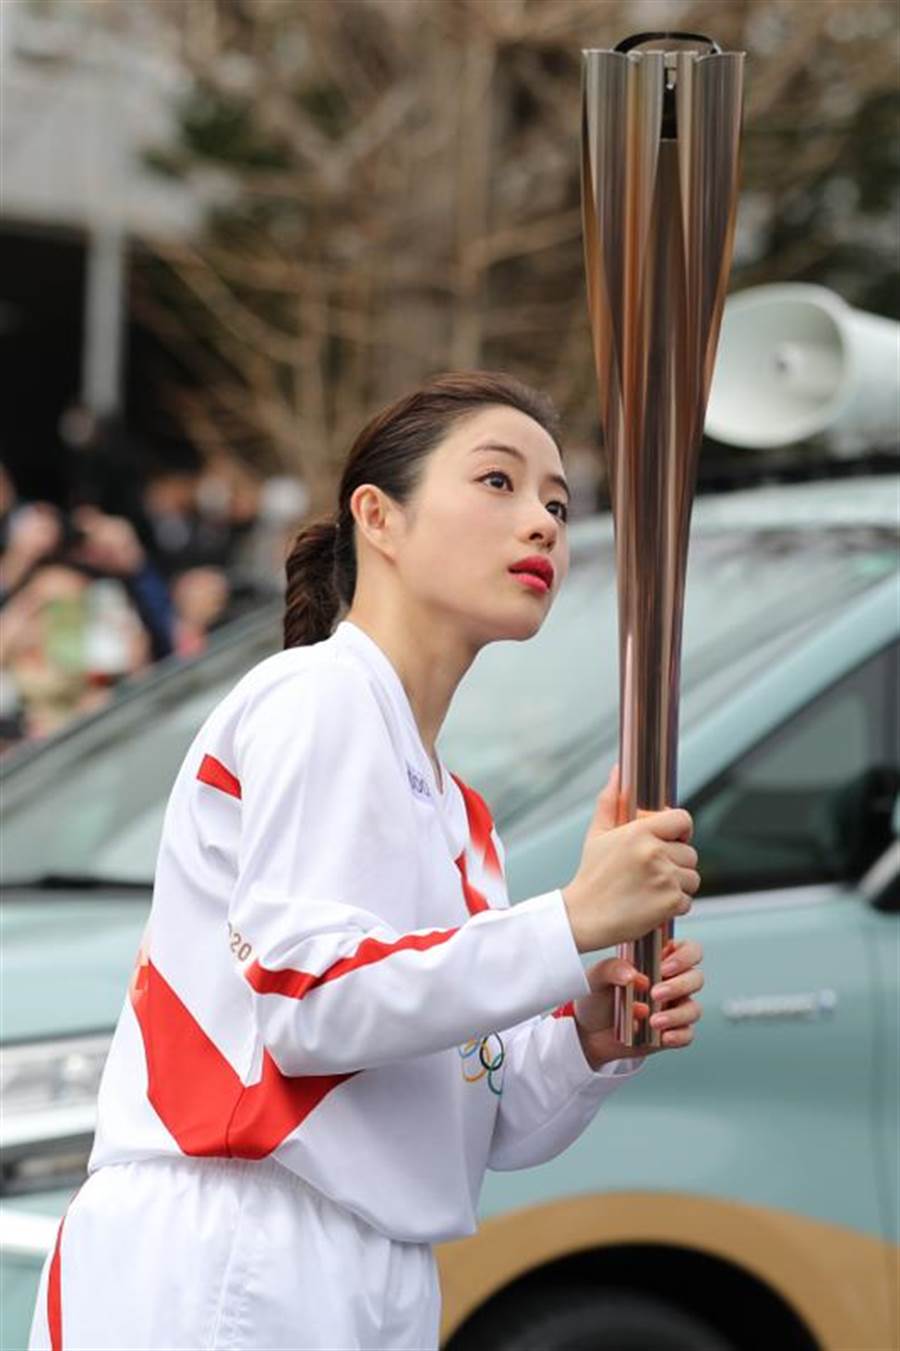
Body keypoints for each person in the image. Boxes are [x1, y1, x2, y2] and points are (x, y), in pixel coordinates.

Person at [28, 372, 704, 1351]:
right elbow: (312, 1009)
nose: (544, 523)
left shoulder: (462, 816)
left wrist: (591, 1036)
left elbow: (481, 1118)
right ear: (379, 516)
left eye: (558, 501)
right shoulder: (318, 698)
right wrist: (569, 921)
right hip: (236, 1240)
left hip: (376, 1265)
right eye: (499, 482)